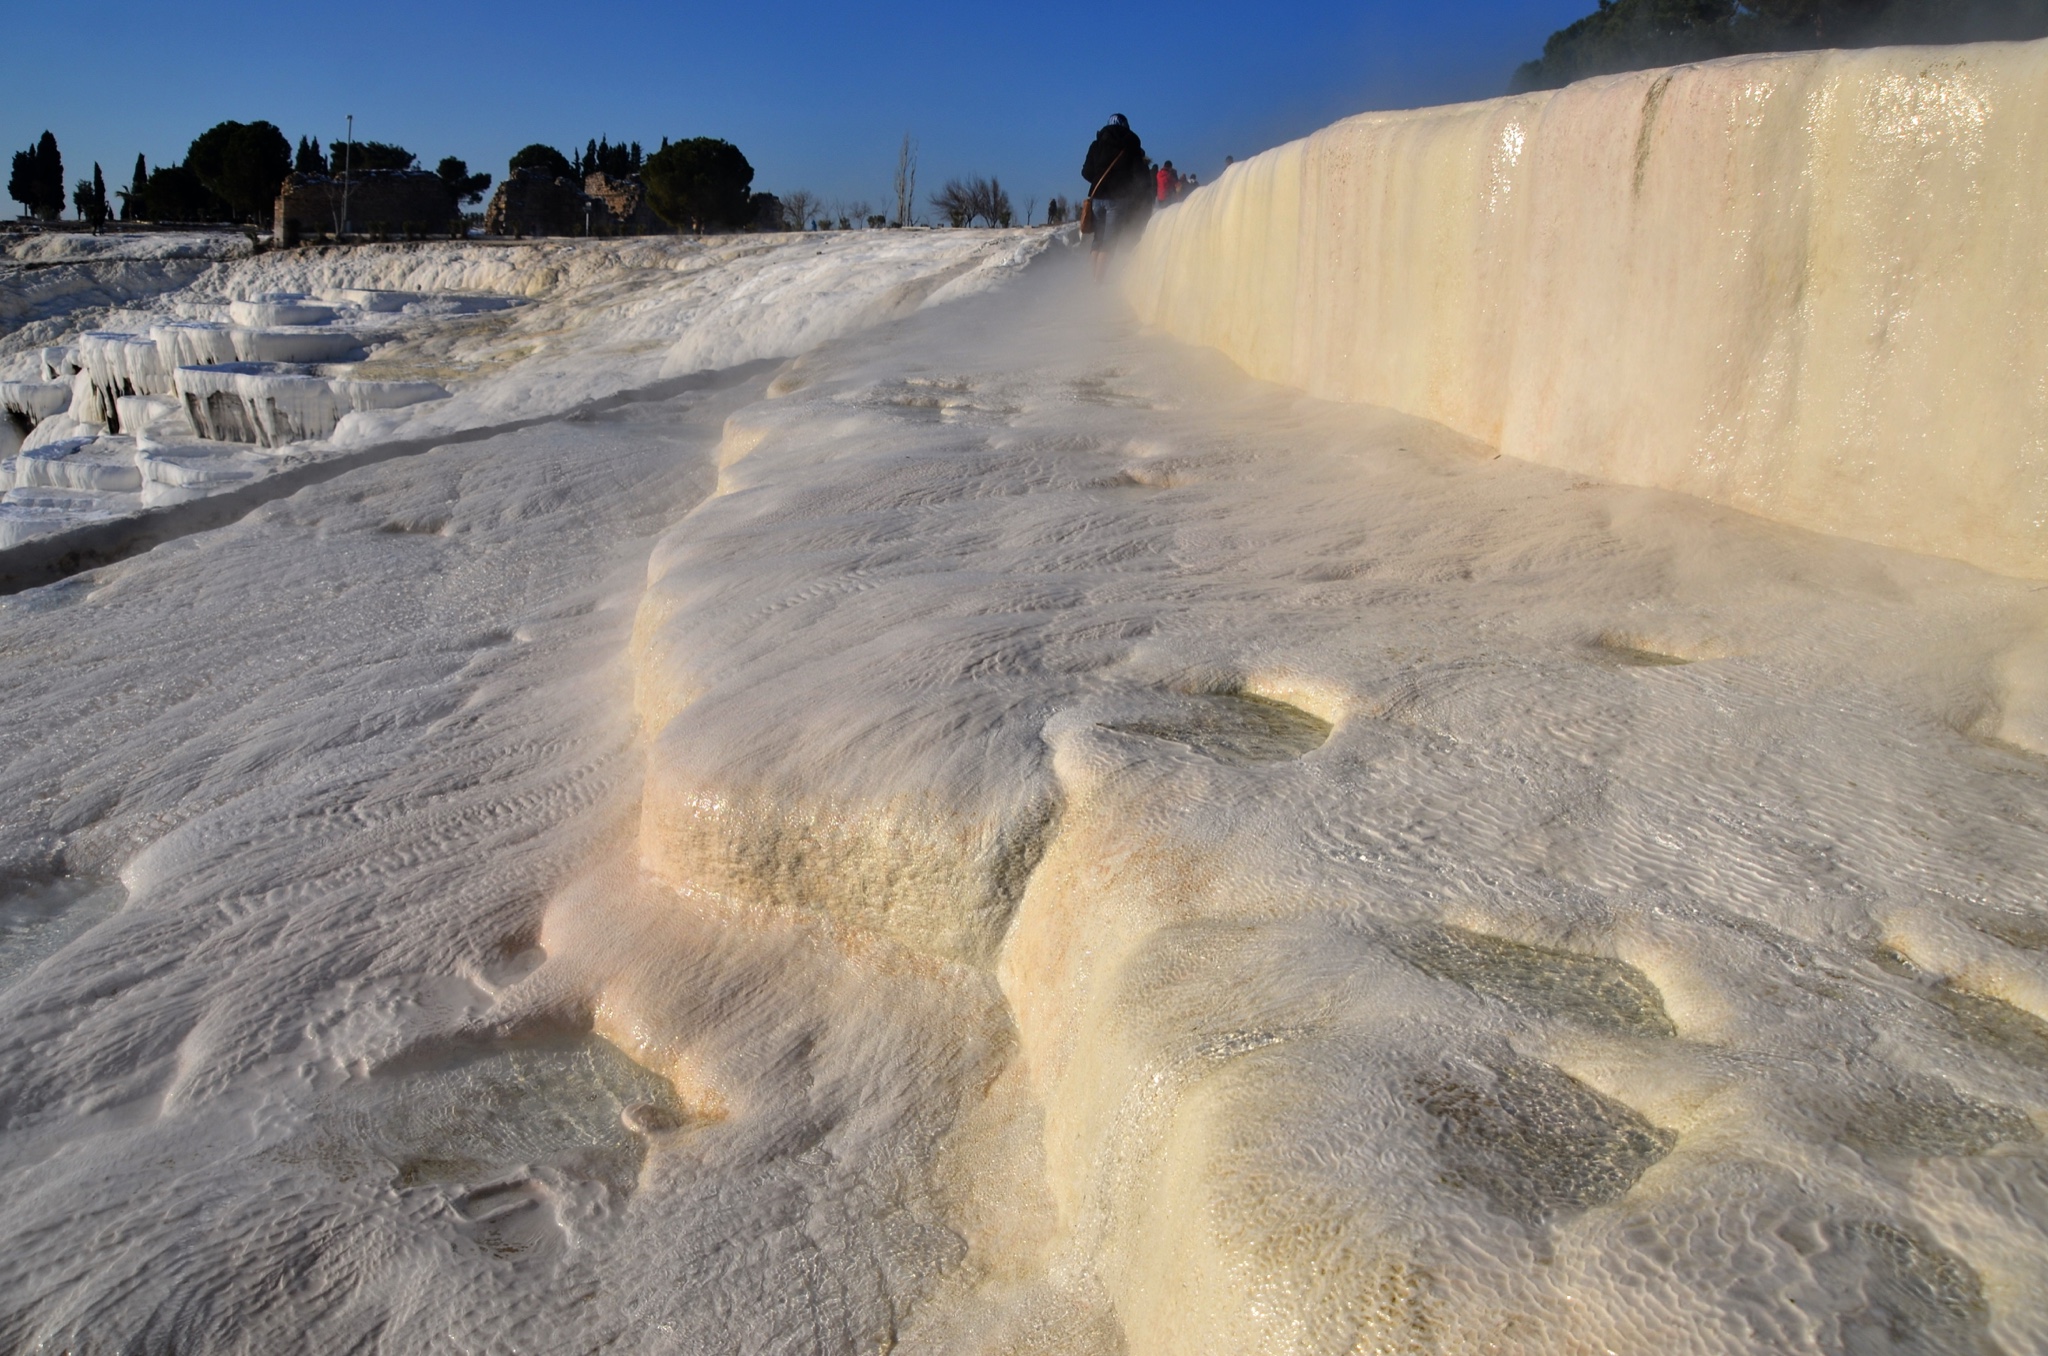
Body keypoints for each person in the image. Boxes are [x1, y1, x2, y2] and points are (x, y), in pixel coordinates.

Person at [1081, 113, 1147, 282]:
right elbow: (1139, 176)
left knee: (1097, 240)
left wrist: (1100, 180)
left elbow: (1086, 172)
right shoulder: (1131, 145)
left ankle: (1090, 280)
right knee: (1109, 243)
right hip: (1118, 199)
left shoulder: (1097, 145)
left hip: (1097, 197)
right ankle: (1098, 283)